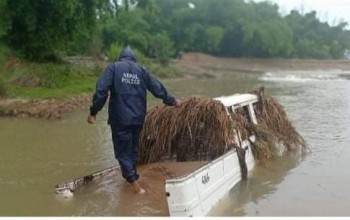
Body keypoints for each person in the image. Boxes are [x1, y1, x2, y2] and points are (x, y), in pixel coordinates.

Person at [87, 48, 181, 194]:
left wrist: (93, 112)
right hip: (138, 118)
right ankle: (132, 176)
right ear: (133, 59)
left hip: (120, 119)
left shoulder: (114, 68)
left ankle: (135, 186)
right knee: (132, 149)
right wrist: (172, 101)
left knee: (123, 152)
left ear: (121, 58)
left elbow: (101, 91)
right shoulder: (141, 70)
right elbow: (157, 88)